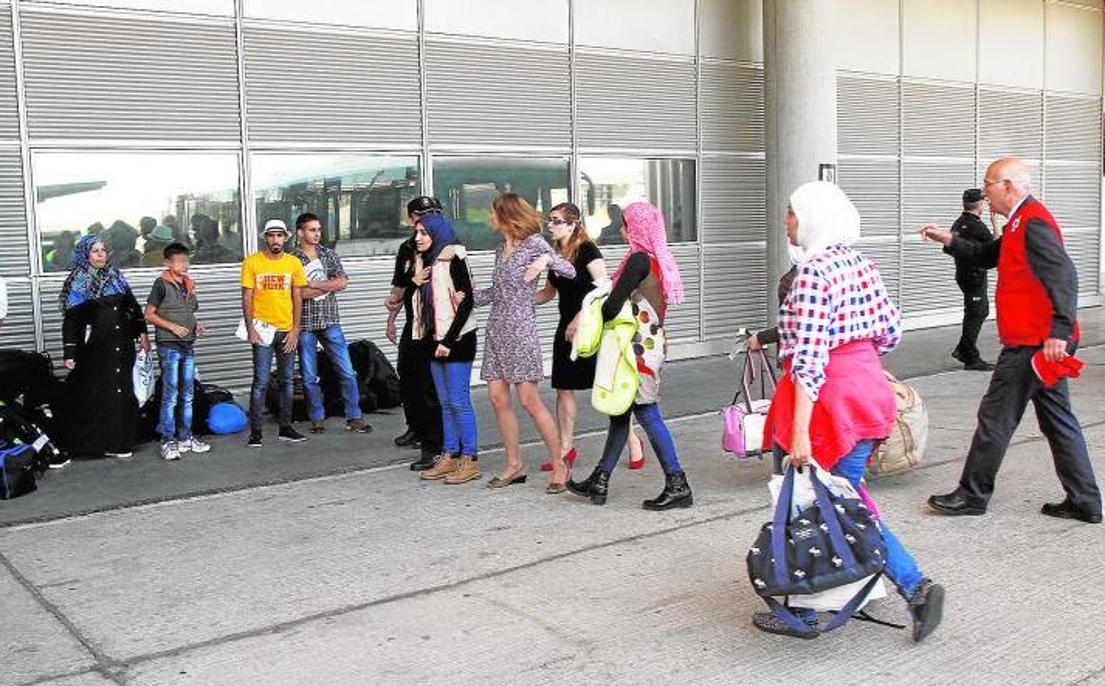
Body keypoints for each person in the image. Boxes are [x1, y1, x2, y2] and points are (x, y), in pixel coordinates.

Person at [754, 181, 943, 641]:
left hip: (827, 404)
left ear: (813, 218)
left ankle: (807, 610)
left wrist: (799, 431)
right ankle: (910, 586)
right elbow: (892, 332)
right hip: (867, 391)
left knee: (810, 508)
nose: (786, 221)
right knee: (844, 502)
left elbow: (808, 362)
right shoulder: (861, 265)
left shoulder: (814, 273)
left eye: (792, 214)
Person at [921, 157, 1101, 524]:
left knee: (995, 416)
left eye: (989, 184)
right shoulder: (1019, 222)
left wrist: (1060, 332)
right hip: (1034, 339)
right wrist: (951, 240)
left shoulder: (1032, 222)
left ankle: (972, 494)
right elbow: (987, 256)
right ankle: (1084, 501)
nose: (984, 193)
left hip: (1034, 342)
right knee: (1057, 420)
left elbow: (1064, 276)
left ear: (1009, 185)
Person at [567, 202, 692, 510]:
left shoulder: (638, 260)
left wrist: (591, 309)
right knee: (621, 414)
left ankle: (678, 484)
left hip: (637, 351)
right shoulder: (658, 260)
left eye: (625, 225)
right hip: (646, 346)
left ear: (637, 228)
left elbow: (612, 307)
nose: (622, 231)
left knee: (647, 413)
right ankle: (600, 479)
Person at [533, 202, 648, 472]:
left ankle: (633, 441)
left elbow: (604, 289)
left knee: (605, 386)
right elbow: (549, 292)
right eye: (550, 220)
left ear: (573, 224)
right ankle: (565, 447)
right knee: (563, 388)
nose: (551, 226)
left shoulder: (588, 250)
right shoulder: (556, 255)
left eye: (557, 221)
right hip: (566, 330)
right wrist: (518, 300)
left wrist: (579, 318)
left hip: (592, 327)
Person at [473, 193, 575, 492]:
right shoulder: (500, 247)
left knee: (530, 400)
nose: (490, 216)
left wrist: (546, 259)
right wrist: (470, 299)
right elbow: (500, 290)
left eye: (493, 212)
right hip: (497, 329)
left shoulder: (534, 244)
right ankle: (514, 464)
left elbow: (569, 271)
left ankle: (560, 464)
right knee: (496, 398)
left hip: (521, 330)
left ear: (507, 215)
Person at [57, 235, 150, 458]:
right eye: (95, 251)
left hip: (121, 344)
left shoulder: (115, 276)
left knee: (122, 390)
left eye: (103, 250)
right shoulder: (78, 280)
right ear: (85, 254)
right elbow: (72, 320)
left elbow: (133, 307)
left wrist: (142, 332)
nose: (100, 255)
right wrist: (70, 351)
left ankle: (123, 441)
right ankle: (99, 443)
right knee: (98, 391)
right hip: (96, 347)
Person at [410, 214, 481, 485]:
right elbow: (414, 304)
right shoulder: (422, 261)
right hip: (432, 338)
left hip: (457, 339)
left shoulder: (454, 258)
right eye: (417, 232)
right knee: (444, 402)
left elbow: (467, 302)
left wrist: (449, 341)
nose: (418, 238)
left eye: (424, 233)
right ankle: (449, 454)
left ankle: (470, 459)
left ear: (437, 234)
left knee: (459, 401)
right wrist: (413, 284)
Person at [292, 212, 371, 435]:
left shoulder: (329, 254)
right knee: (309, 375)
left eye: (318, 230)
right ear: (300, 232)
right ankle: (317, 417)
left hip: (329, 319)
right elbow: (296, 293)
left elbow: (342, 282)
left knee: (347, 370)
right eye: (311, 230)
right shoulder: (292, 259)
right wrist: (326, 285)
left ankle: (354, 416)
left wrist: (316, 285)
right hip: (306, 322)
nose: (317, 234)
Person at [386, 196, 444, 471]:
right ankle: (416, 428)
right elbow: (401, 286)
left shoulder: (446, 247)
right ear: (411, 219)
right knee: (408, 377)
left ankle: (435, 445)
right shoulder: (408, 248)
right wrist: (391, 316)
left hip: (436, 326)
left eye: (433, 213)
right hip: (414, 322)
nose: (428, 219)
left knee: (429, 386)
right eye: (422, 216)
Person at [241, 219, 309, 447]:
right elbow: (247, 297)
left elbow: (297, 297)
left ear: (286, 237)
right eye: (271, 235)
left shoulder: (293, 263)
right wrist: (250, 328)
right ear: (265, 238)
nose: (275, 240)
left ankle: (286, 427)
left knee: (287, 381)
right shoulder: (252, 262)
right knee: (260, 381)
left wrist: (296, 329)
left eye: (279, 235)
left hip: (286, 329)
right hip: (262, 330)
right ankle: (256, 431)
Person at [143, 242, 211, 461]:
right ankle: (167, 441)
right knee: (171, 395)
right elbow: (149, 314)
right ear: (167, 263)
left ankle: (186, 438)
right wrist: (172, 327)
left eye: (186, 260)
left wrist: (196, 326)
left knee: (188, 394)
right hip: (169, 346)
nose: (184, 264)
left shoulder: (189, 285)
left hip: (188, 345)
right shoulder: (161, 285)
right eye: (179, 261)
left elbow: (189, 313)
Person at [949, 188, 996, 371]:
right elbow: (996, 246)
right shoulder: (977, 226)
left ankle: (964, 349)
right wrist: (995, 222)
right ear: (980, 204)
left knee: (976, 311)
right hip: (974, 276)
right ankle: (969, 356)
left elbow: (952, 247)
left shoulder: (958, 223)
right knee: (977, 313)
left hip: (963, 274)